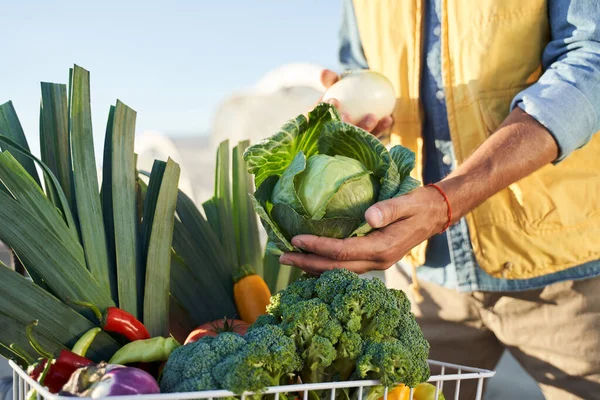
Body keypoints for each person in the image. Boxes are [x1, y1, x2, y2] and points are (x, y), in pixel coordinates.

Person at [278, 1, 600, 399]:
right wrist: (350, 118)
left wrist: (449, 199)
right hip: (419, 280)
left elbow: (590, 59)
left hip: (564, 266)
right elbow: (359, 68)